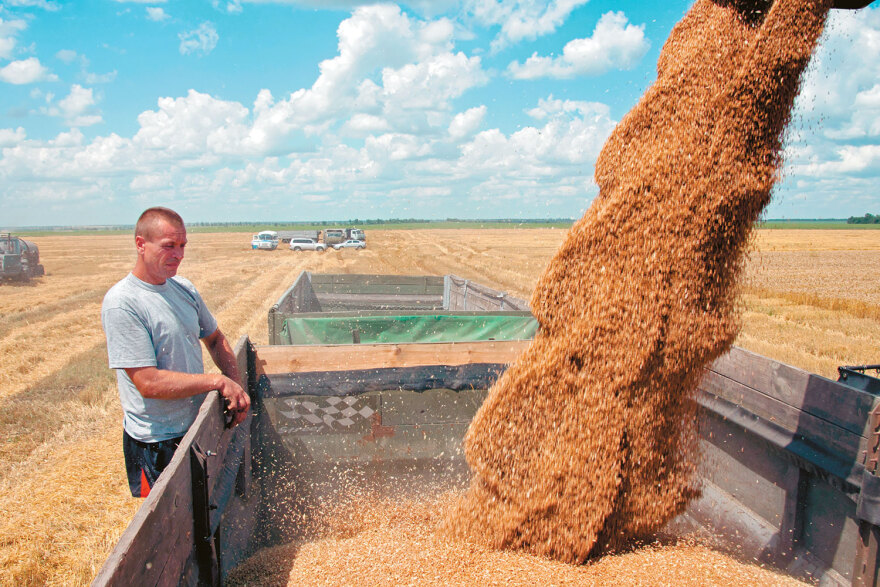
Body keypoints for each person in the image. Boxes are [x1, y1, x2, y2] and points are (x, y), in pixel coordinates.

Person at [101, 207, 251, 498]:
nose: (179, 254)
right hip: (158, 441)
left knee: (207, 515)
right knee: (170, 534)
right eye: (169, 246)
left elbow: (215, 338)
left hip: (197, 427)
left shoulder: (184, 289)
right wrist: (218, 382)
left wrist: (236, 385)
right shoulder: (124, 303)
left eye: (182, 245)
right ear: (140, 244)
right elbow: (148, 383)